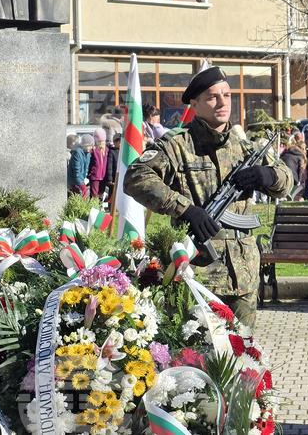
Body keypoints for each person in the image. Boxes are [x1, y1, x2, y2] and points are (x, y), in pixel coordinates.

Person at [123, 67, 292, 327]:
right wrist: (185, 209)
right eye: (213, 97)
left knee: (244, 353)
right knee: (198, 356)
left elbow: (286, 180)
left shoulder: (246, 147)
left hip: (243, 272)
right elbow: (135, 177)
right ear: (195, 103)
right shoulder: (177, 145)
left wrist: (266, 176)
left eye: (226, 94)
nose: (222, 102)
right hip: (198, 270)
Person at [280, 135, 307, 200]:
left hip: (281, 169)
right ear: (303, 149)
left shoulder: (287, 151)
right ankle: (291, 196)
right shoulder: (300, 155)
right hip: (291, 172)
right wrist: (299, 180)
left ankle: (283, 196)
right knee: (300, 185)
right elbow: (300, 169)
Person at [87, 129, 109, 200]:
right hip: (95, 175)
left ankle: (99, 207)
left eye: (102, 141)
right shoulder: (93, 150)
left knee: (101, 194)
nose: (100, 143)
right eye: (99, 141)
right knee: (94, 194)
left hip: (103, 176)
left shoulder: (106, 150)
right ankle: (93, 208)